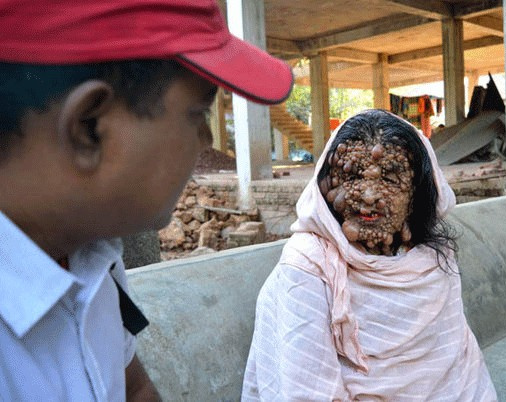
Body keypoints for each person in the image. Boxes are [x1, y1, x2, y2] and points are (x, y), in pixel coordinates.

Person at [0, 0, 293, 400]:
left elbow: (133, 387)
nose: (206, 143)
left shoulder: (90, 254)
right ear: (90, 127)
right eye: (198, 115)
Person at [242, 109, 497, 401]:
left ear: (417, 192)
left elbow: (462, 374)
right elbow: (306, 392)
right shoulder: (308, 266)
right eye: (350, 176)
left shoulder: (434, 259)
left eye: (389, 178)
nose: (368, 196)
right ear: (327, 186)